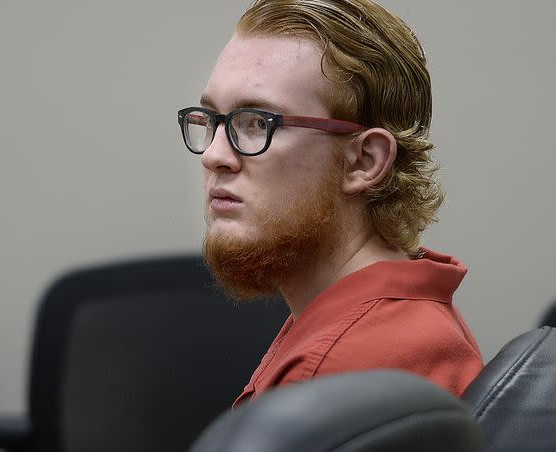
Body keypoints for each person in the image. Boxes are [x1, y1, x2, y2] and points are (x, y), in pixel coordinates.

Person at [177, 0, 483, 406]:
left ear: (365, 161)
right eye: (211, 119)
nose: (214, 155)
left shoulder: (337, 379)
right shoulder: (400, 316)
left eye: (257, 123)